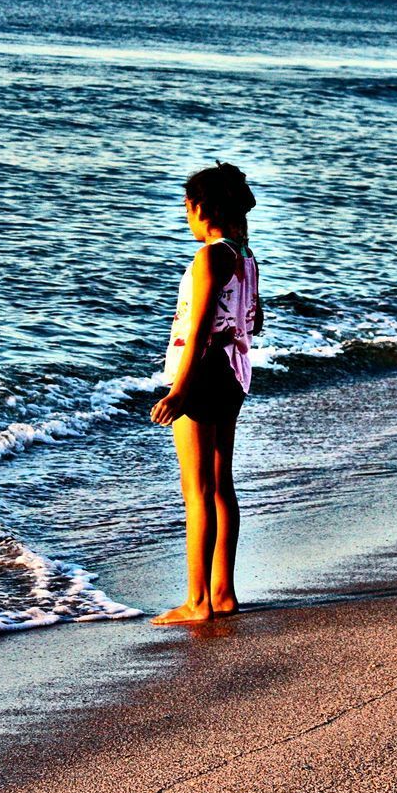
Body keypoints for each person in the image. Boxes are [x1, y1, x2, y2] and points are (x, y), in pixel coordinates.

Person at [149, 161, 263, 625]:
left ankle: (197, 602)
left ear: (200, 208)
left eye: (186, 207)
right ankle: (223, 594)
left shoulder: (210, 256)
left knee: (196, 490)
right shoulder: (245, 255)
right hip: (234, 373)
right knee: (221, 488)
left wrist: (179, 391)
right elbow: (253, 321)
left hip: (202, 373)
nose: (185, 216)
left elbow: (197, 330)